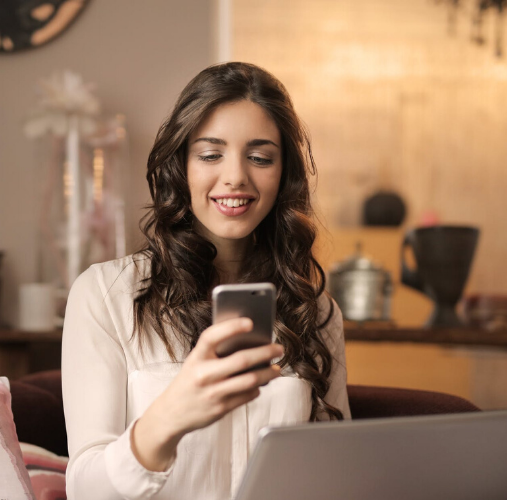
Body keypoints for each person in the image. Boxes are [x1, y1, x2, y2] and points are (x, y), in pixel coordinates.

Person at [61, 62, 350, 500]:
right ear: (181, 166)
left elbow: (336, 471)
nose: (235, 176)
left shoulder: (316, 310)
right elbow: (85, 489)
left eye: (260, 157)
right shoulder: (106, 295)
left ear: (282, 173)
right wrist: (169, 417)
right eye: (210, 154)